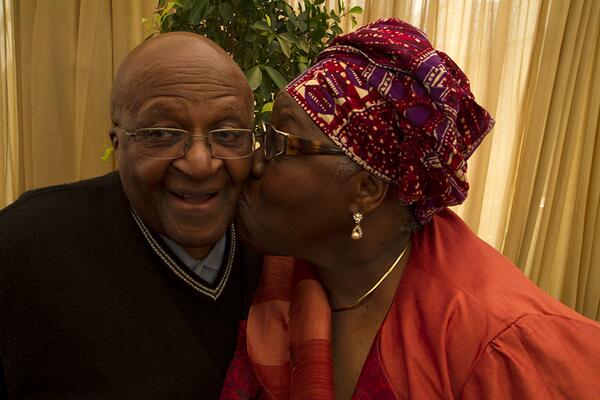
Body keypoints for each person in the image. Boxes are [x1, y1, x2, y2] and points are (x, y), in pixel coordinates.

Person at [221, 19, 600, 399]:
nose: (253, 162)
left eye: (280, 142)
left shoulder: (495, 344)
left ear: (366, 190)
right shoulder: (285, 272)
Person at [0, 32, 262, 398]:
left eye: (228, 133)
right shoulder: (28, 244)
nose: (201, 163)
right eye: (161, 133)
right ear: (117, 143)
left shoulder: (279, 253)